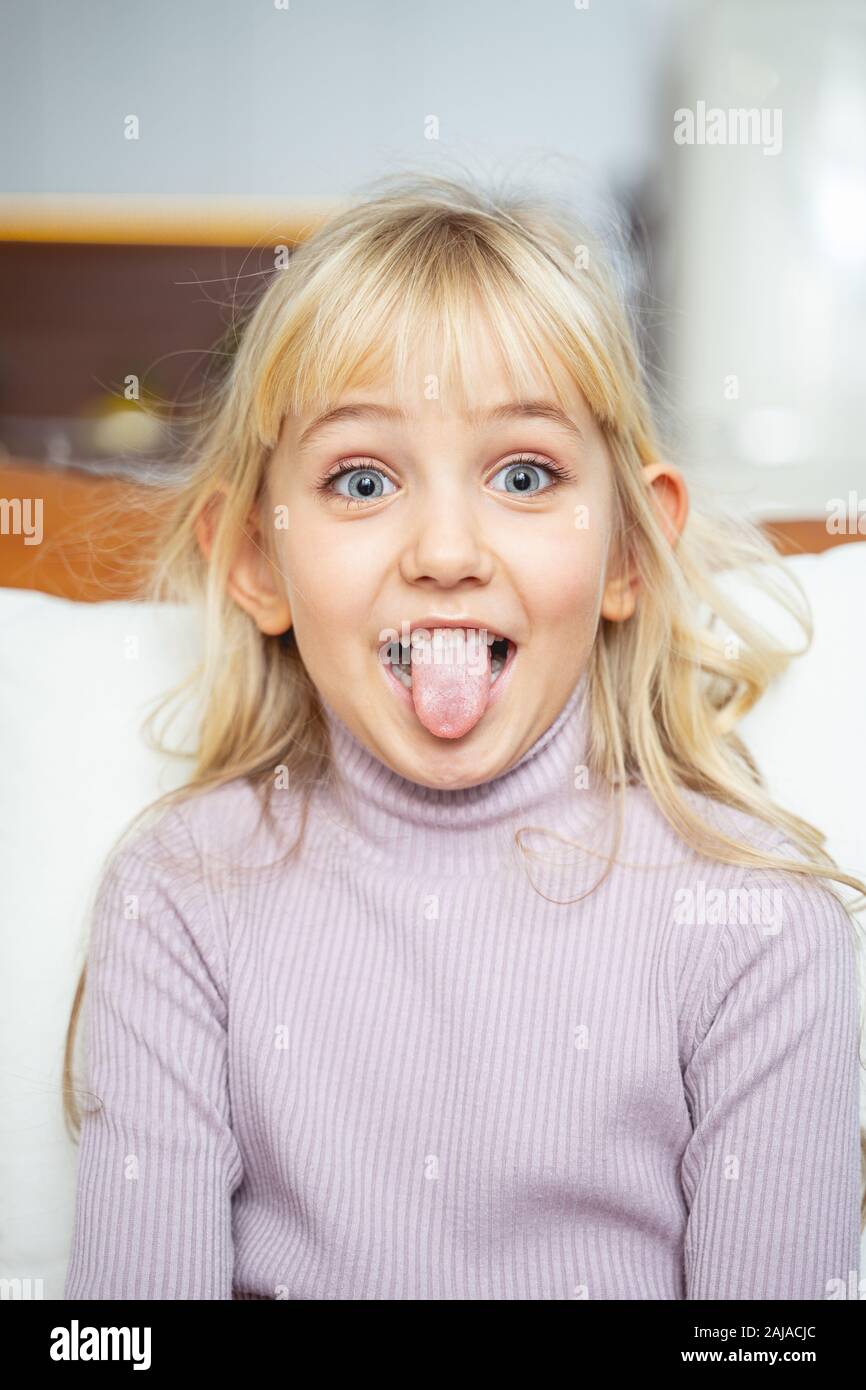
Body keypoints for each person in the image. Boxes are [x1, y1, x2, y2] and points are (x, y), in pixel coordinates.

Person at [62, 171, 864, 1300]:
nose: (446, 548)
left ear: (628, 552)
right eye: (361, 478)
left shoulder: (758, 927)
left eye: (523, 473)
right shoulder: (180, 897)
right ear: (253, 559)